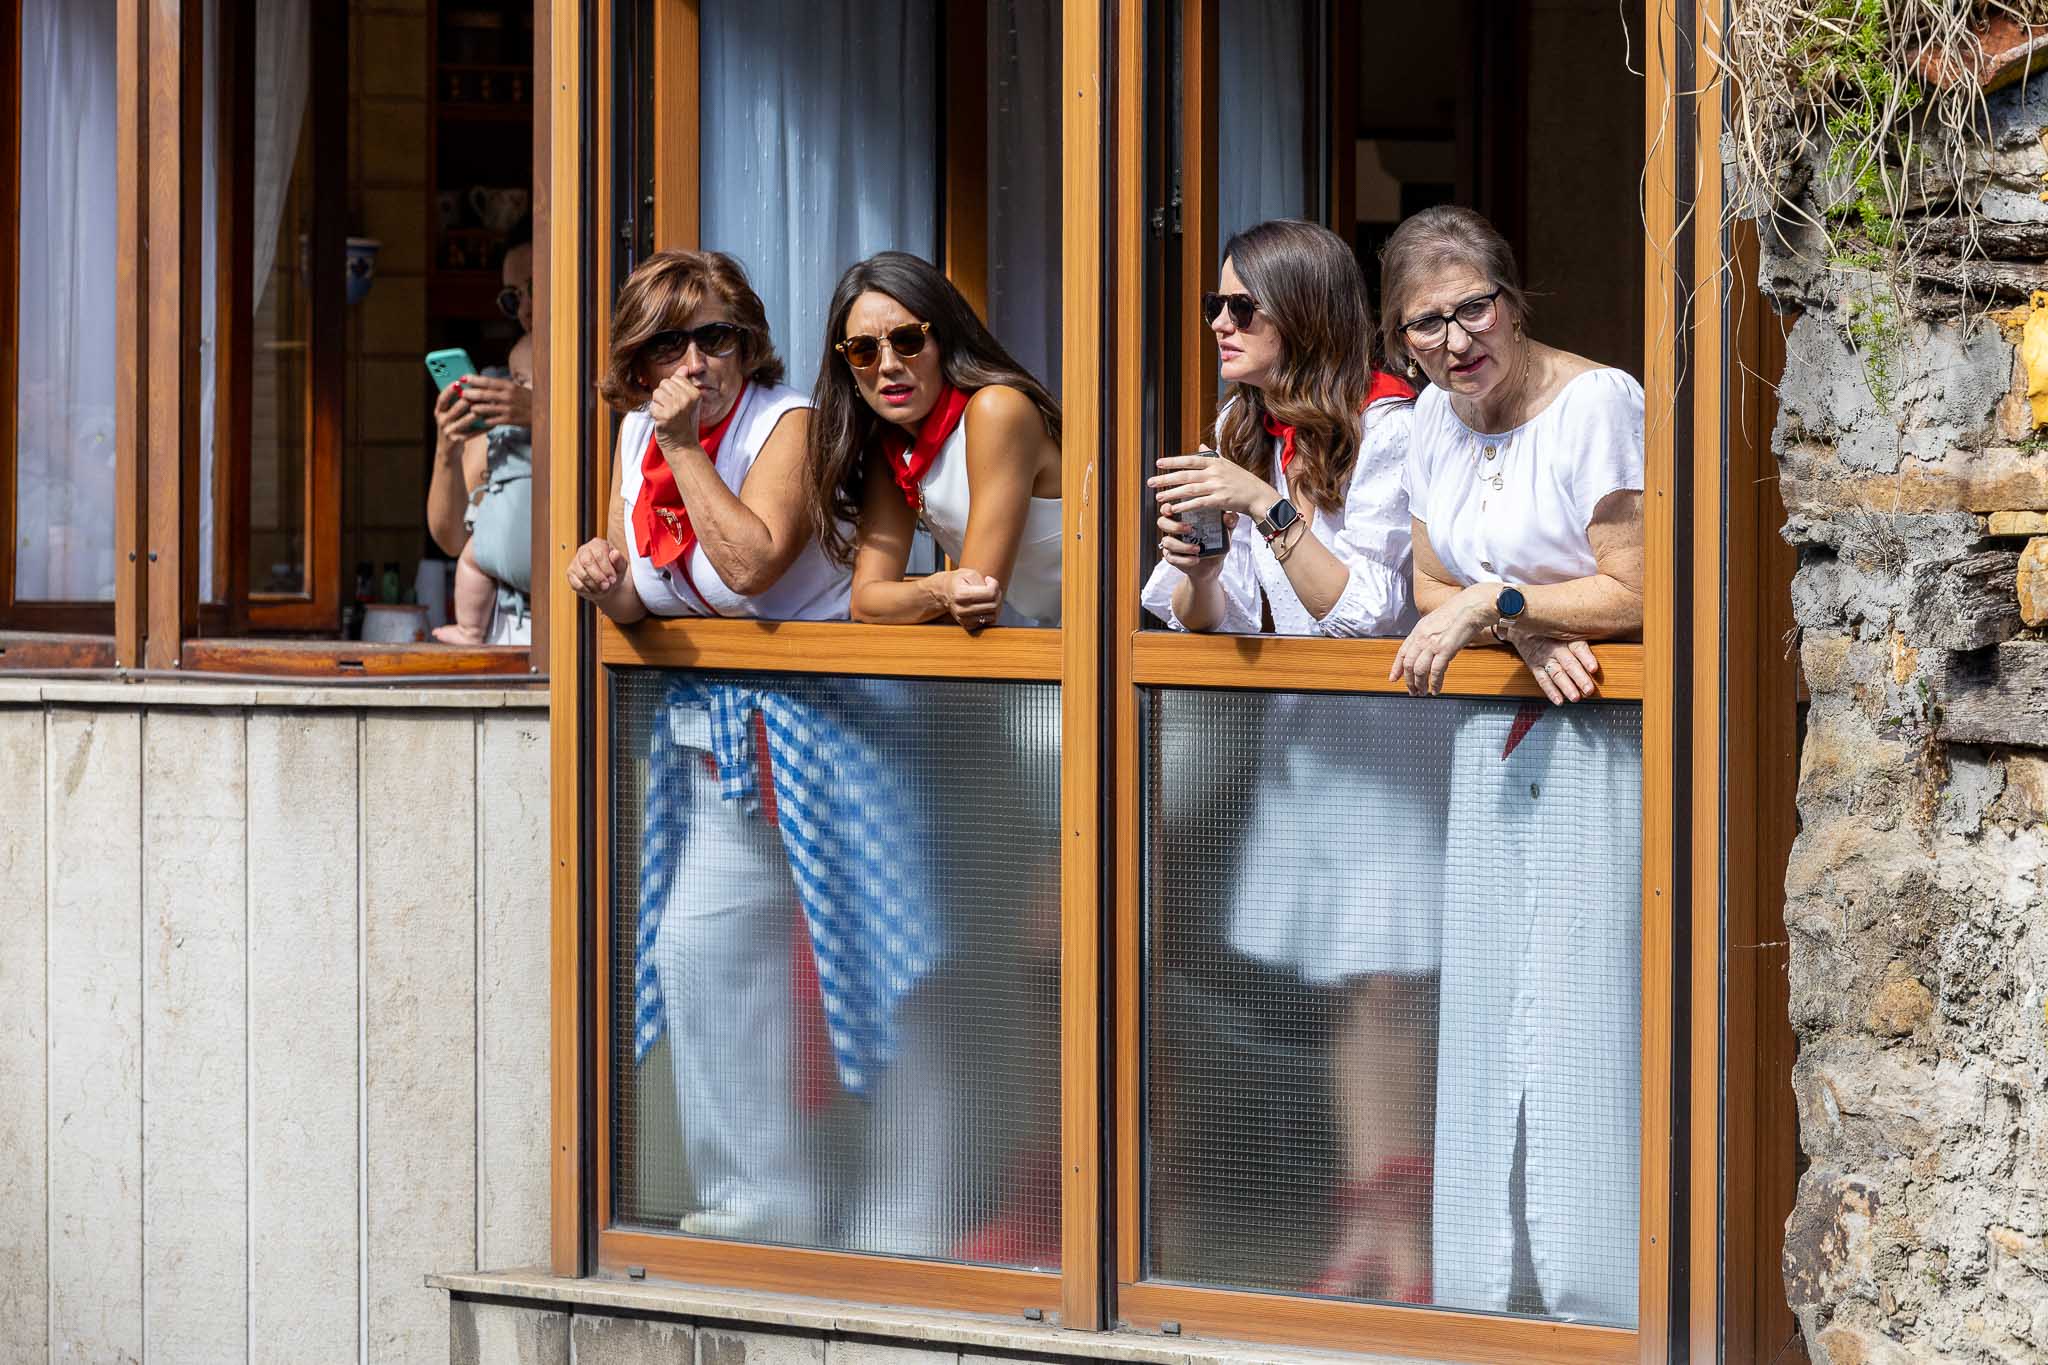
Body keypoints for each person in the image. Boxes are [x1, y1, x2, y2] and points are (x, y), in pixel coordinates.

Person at [1140, 218, 1445, 1303]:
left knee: (1389, 989)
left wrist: (1259, 509)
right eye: (1216, 308)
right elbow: (1184, 619)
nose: (1218, 326)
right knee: (1342, 991)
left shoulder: (1396, 429)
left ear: (1304, 317)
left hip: (1390, 747)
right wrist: (1195, 561)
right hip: (1301, 750)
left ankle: (1408, 1239)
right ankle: (1368, 1220)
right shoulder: (1249, 426)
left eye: (1241, 309)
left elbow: (1366, 614)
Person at [566, 249, 863, 1246]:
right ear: (635, 361)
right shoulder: (632, 438)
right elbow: (644, 602)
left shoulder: (786, 423)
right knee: (698, 950)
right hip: (717, 738)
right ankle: (758, 1196)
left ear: (749, 342)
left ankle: (902, 1209)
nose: (697, 362)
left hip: (833, 732)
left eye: (716, 337)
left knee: (867, 971)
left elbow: (749, 562)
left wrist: (687, 450)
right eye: (669, 344)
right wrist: (600, 574)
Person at [1383, 204, 1645, 1324]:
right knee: (1491, 1007)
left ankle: (1601, 1291)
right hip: (1490, 741)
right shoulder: (1432, 424)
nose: (1452, 340)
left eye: (1469, 308)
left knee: (1583, 1003)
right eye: (1422, 326)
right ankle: (1490, 1292)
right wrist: (1517, 621)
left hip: (1596, 744)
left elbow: (1640, 591)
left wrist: (1500, 604)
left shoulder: (1597, 404)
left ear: (1512, 299)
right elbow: (1427, 589)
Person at [806, 250, 1062, 628]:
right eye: (864, 350)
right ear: (847, 368)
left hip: (1142, 628)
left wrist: (933, 594)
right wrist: (938, 589)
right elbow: (865, 601)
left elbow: (975, 600)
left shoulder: (996, 410)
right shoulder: (891, 447)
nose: (889, 365)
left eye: (908, 341)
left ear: (945, 340)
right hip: (1070, 638)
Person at [428, 218, 536, 644]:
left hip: (574, 624)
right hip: (502, 624)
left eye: (536, 286)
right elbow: (453, 539)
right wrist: (447, 451)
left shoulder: (602, 386)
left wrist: (540, 413)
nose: (526, 307)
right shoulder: (496, 388)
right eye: (513, 298)